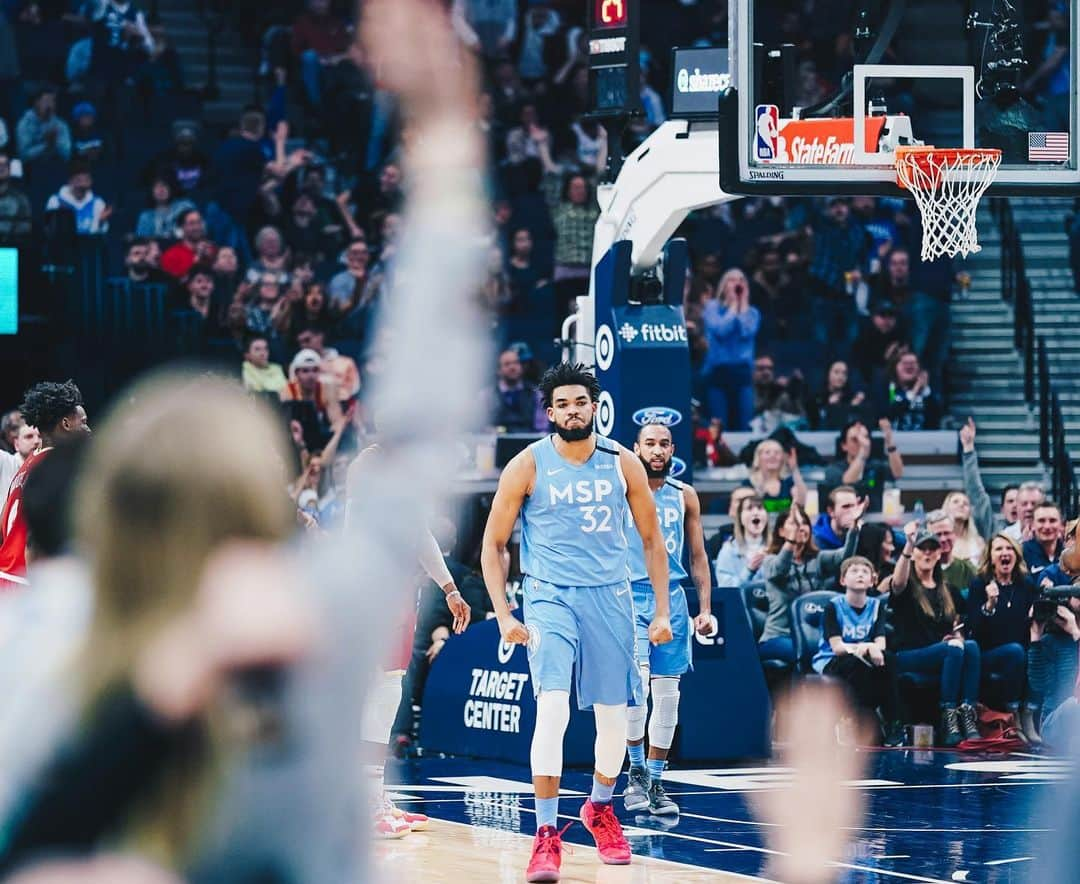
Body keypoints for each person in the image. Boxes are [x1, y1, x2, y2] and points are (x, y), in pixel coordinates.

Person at [480, 362, 672, 882]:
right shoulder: (526, 464)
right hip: (549, 598)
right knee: (553, 710)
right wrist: (503, 613)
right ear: (549, 413)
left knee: (613, 720)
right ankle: (545, 836)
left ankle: (600, 808)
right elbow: (493, 545)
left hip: (610, 598)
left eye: (580, 402)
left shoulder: (623, 462)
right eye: (561, 404)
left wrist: (660, 611)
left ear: (595, 406)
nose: (571, 410)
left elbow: (653, 542)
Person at [622, 422, 713, 818]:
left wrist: (705, 609)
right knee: (636, 686)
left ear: (673, 448)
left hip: (672, 600)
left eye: (663, 444)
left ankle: (656, 779)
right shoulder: (620, 490)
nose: (657, 451)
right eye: (649, 444)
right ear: (636, 448)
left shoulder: (685, 496)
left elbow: (698, 556)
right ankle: (635, 772)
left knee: (668, 696)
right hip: (627, 597)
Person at [888, 524, 980, 747]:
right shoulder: (908, 587)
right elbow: (897, 583)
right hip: (907, 656)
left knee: (971, 646)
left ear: (940, 553)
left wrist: (957, 635)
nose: (927, 553)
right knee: (953, 648)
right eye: (922, 548)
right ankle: (948, 717)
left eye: (932, 549)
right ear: (915, 553)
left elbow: (961, 624)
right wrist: (908, 545)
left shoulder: (949, 590)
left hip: (942, 653)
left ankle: (967, 713)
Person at [0, 382, 90, 588]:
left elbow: (4, 521)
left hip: (6, 575)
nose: (88, 429)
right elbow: (33, 537)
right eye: (83, 422)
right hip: (24, 581)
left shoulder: (29, 464)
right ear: (66, 424)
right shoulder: (54, 468)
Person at [811, 555, 905, 746]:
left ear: (873, 580)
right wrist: (865, 647)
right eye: (854, 571)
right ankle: (853, 720)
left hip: (864, 657)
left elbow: (881, 644)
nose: (860, 574)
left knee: (890, 660)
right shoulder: (832, 606)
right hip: (832, 660)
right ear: (843, 580)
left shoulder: (877, 605)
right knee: (855, 663)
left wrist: (870, 647)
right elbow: (837, 647)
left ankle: (894, 723)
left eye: (865, 571)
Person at [758, 505, 860, 666]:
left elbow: (844, 558)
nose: (801, 527)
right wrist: (791, 541)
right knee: (806, 651)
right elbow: (780, 569)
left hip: (814, 636)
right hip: (778, 636)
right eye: (794, 523)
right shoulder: (770, 560)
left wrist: (854, 529)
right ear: (780, 531)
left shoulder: (818, 559)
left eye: (804, 523)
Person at [967, 534, 1036, 729]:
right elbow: (974, 630)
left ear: (1016, 554)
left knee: (1037, 652)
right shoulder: (980, 584)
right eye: (998, 549)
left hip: (1021, 649)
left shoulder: (1026, 585)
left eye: (1009, 548)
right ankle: (1013, 714)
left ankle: (1029, 714)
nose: (1005, 553)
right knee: (1015, 651)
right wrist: (989, 605)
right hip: (988, 654)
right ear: (991, 557)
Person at [702, 269, 761, 431]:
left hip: (742, 373)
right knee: (721, 424)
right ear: (724, 285)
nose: (737, 283)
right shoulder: (711, 308)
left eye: (741, 280)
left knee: (745, 422)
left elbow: (746, 331)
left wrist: (742, 306)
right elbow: (721, 330)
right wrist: (733, 305)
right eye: (732, 280)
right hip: (718, 372)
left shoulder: (753, 313)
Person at [823, 419, 903, 512]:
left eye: (865, 438)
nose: (862, 443)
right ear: (844, 445)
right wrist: (862, 453)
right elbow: (847, 482)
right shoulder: (833, 469)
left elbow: (897, 473)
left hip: (875, 520)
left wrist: (890, 442)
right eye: (855, 439)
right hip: (846, 520)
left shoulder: (875, 465)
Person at [959, 418, 1017, 539]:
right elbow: (977, 495)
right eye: (1010, 501)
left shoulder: (1038, 534)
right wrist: (968, 448)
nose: (1015, 505)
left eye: (1019, 502)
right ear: (1002, 509)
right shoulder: (994, 531)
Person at [714, 494, 771, 590]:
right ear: (740, 518)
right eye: (749, 508)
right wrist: (749, 570)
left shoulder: (777, 549)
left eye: (760, 508)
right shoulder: (729, 550)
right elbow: (725, 589)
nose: (756, 513)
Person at [487, 348, 546, 432]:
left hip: (529, 442)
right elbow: (482, 427)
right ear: (498, 370)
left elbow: (542, 430)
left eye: (516, 363)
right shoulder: (487, 396)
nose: (512, 367)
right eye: (507, 364)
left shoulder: (536, 394)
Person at [742, 438, 807, 514]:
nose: (772, 456)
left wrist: (794, 469)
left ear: (782, 458)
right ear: (758, 457)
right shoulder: (748, 484)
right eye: (767, 452)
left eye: (777, 453)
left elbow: (802, 503)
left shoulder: (789, 482)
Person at [44, 162, 110, 236]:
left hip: (88, 245)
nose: (83, 185)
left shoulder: (98, 202)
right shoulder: (55, 201)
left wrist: (101, 222)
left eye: (86, 180)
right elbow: (49, 230)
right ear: (70, 181)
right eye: (78, 180)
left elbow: (100, 233)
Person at [883, 350, 941, 431]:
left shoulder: (928, 393)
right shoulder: (890, 390)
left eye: (913, 363)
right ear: (895, 367)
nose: (909, 366)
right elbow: (890, 412)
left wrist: (925, 390)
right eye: (905, 363)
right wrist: (914, 392)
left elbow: (937, 417)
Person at [925, 509, 976, 600]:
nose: (943, 539)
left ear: (955, 535)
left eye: (947, 533)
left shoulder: (967, 570)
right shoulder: (921, 569)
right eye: (938, 535)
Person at [806, 361, 867, 431]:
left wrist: (853, 408)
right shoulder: (816, 397)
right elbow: (813, 423)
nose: (841, 377)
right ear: (828, 374)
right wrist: (828, 407)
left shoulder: (852, 398)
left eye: (844, 373)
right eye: (836, 372)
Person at [161, 209, 215, 279]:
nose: (197, 227)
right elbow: (176, 284)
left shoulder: (213, 249)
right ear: (181, 227)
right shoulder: (171, 255)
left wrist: (212, 260)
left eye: (199, 222)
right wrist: (197, 257)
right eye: (191, 223)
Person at [812, 485, 862, 552]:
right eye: (846, 507)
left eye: (853, 506)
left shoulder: (862, 533)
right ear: (831, 511)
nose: (851, 511)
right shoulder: (815, 539)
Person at [943, 490, 985, 566]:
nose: (961, 504)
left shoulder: (979, 543)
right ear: (947, 508)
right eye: (956, 502)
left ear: (969, 512)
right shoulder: (939, 540)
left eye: (966, 504)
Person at [0, 423, 40, 504]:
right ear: (16, 444)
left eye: (40, 436)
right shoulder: (5, 460)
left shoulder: (48, 470)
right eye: (29, 437)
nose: (36, 441)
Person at [1023, 501, 1065, 577]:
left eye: (1052, 521)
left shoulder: (1068, 553)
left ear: (1061, 524)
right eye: (1041, 521)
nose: (1047, 526)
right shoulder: (1021, 554)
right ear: (1032, 525)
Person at [854, 522, 898, 593]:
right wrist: (880, 590)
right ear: (874, 545)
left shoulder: (892, 571)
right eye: (888, 543)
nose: (892, 548)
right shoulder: (855, 573)